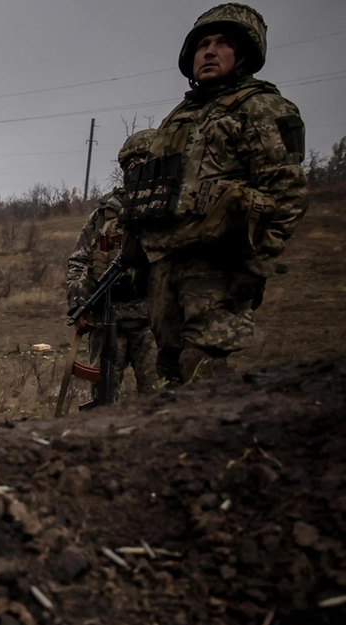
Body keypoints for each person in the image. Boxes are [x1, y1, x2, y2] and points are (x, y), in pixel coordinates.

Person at [123, 2, 307, 383]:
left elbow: (287, 192)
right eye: (202, 44)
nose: (209, 52)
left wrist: (257, 267)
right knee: (169, 368)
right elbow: (154, 194)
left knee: (201, 366)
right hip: (166, 262)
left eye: (222, 43)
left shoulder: (260, 107)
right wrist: (139, 258)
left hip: (217, 261)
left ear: (243, 53)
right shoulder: (180, 116)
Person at [64, 131, 159, 398]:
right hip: (108, 319)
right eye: (132, 162)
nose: (138, 168)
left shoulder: (165, 210)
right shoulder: (104, 214)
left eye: (145, 160)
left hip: (151, 320)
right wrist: (78, 305)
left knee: (159, 397)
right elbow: (78, 260)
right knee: (103, 397)